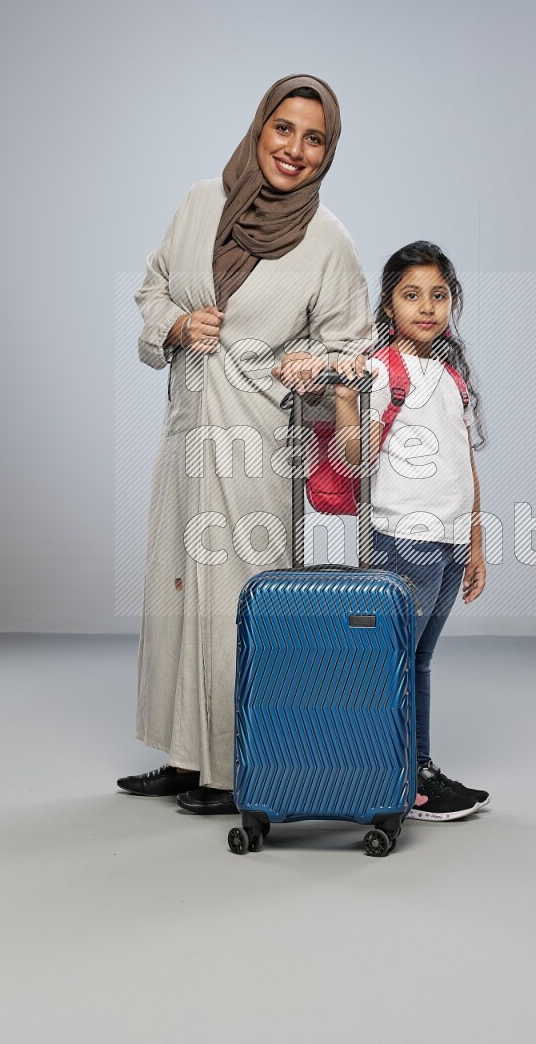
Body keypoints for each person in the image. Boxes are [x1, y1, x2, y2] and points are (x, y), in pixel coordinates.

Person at [117, 74, 371, 813]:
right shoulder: (203, 204)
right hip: (187, 430)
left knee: (238, 601)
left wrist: (313, 367)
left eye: (314, 138)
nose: (295, 149)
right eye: (284, 129)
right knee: (175, 590)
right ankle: (183, 754)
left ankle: (235, 769)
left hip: (257, 444)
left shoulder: (328, 241)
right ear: (259, 127)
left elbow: (352, 351)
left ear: (328, 153)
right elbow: (153, 285)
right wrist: (174, 325)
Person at [334, 241, 490, 821]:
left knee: (417, 659)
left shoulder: (452, 374)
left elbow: (466, 464)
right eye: (411, 295)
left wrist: (475, 542)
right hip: (404, 537)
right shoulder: (378, 369)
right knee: (392, 659)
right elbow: (356, 456)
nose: (427, 306)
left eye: (439, 294)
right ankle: (389, 775)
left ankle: (415, 770)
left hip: (448, 542)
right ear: (388, 304)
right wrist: (348, 403)